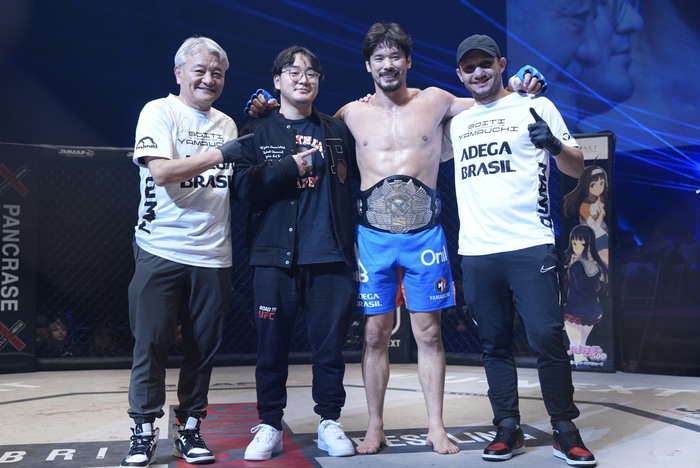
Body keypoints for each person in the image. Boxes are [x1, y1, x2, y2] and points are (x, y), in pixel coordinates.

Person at [246, 23, 545, 456]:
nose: (387, 65)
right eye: (379, 58)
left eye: (395, 56)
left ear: (408, 61)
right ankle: (375, 427)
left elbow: (489, 100)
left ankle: (436, 426)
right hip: (373, 238)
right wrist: (268, 109)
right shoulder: (350, 114)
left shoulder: (437, 101)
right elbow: (303, 124)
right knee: (373, 335)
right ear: (368, 66)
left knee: (429, 334)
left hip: (425, 236)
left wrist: (520, 83)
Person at [445, 34, 597, 466]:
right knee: (493, 343)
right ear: (460, 75)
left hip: (531, 243)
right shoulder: (458, 123)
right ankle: (507, 428)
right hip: (477, 250)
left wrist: (553, 145)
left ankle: (564, 430)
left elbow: (576, 167)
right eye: (469, 67)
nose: (478, 72)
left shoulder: (536, 105)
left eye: (485, 63)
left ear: (502, 64)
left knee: (547, 338)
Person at [229, 45, 358, 461]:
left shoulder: (337, 130)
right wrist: (288, 168)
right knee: (271, 349)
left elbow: (356, 179)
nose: (304, 79)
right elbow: (241, 187)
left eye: (312, 73)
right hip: (273, 257)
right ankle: (269, 424)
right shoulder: (256, 130)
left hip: (329, 255)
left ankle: (329, 421)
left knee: (329, 349)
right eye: (294, 72)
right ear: (277, 81)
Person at [123, 36, 241, 467]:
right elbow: (162, 172)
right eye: (200, 70)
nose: (209, 79)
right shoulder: (159, 111)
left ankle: (190, 428)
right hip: (161, 248)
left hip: (213, 254)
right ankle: (142, 431)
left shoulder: (228, 124)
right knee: (151, 343)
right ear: (179, 73)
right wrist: (218, 154)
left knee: (202, 349)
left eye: (217, 73)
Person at [562, 225, 609, 366]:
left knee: (578, 349)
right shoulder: (581, 264)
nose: (577, 247)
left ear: (588, 245)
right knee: (580, 347)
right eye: (574, 243)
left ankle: (582, 365)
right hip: (589, 309)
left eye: (582, 244)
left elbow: (580, 288)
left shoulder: (580, 265)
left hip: (576, 309)